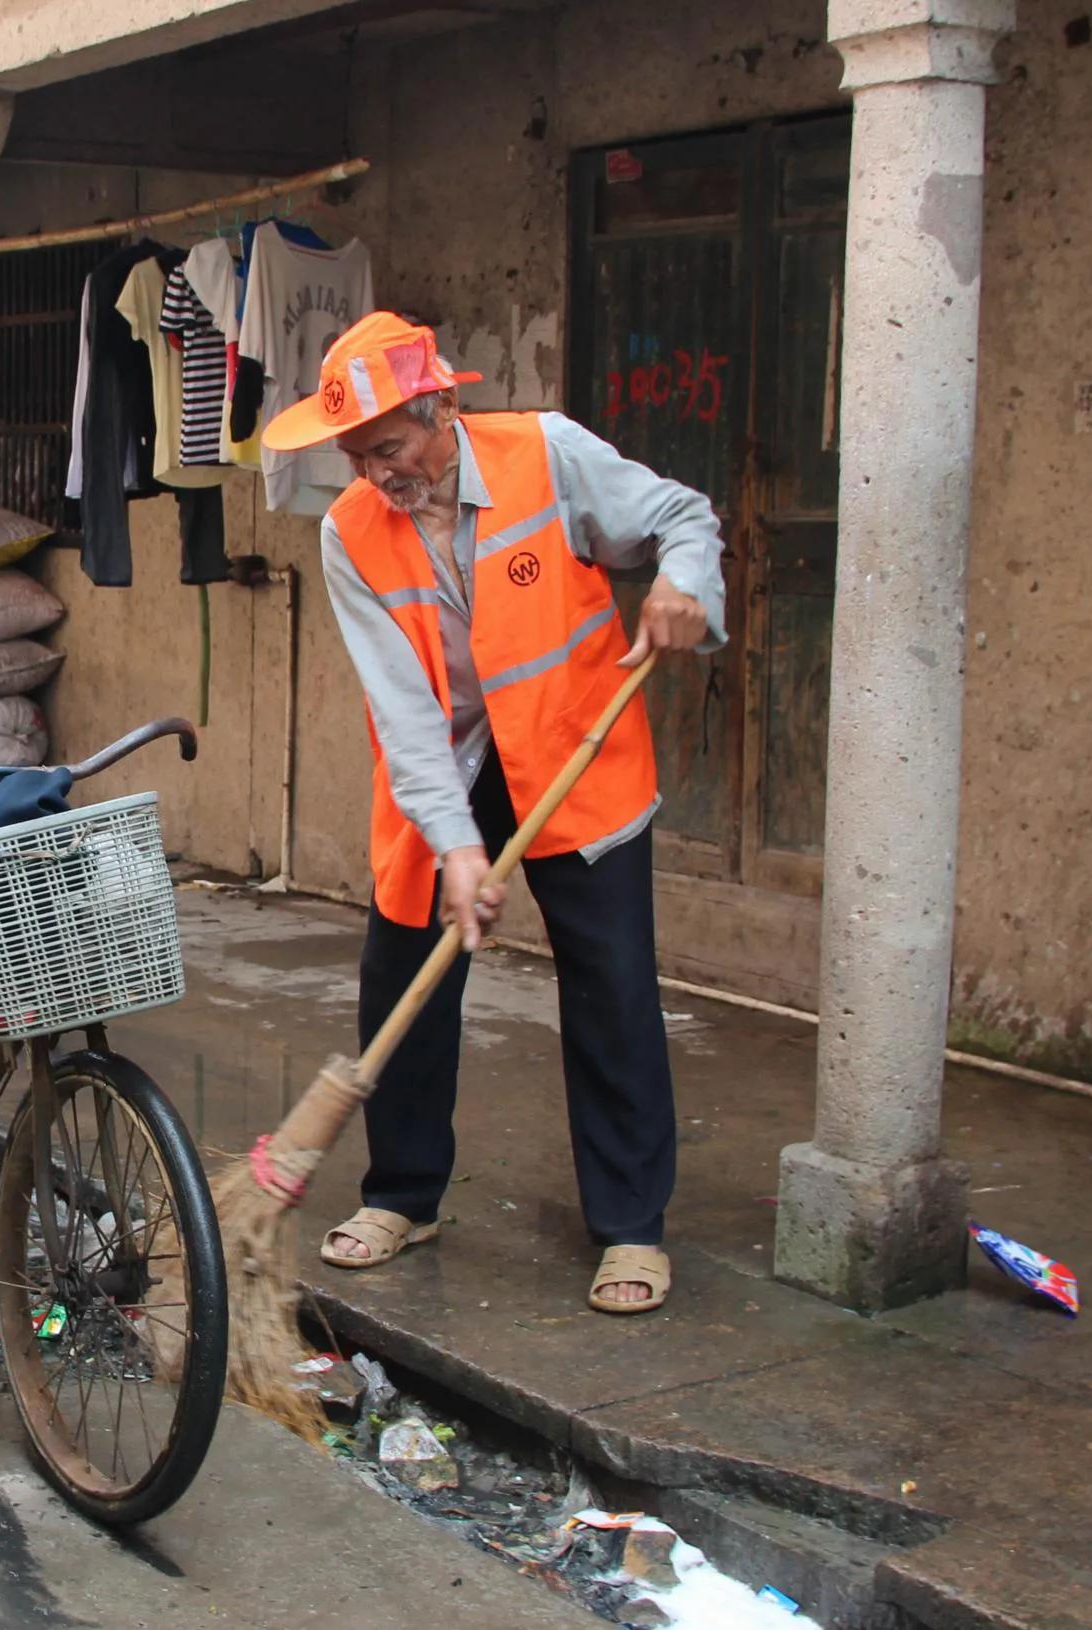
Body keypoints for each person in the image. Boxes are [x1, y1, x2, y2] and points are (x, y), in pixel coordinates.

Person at [261, 312, 725, 1316]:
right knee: (402, 969)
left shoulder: (546, 455)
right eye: (356, 456)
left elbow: (682, 518)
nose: (376, 474)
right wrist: (456, 847)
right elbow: (402, 710)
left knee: (609, 985)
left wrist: (682, 584)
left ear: (444, 411)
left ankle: (631, 1224)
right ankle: (402, 1194)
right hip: (449, 758)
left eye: (389, 447)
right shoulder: (349, 532)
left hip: (570, 747)